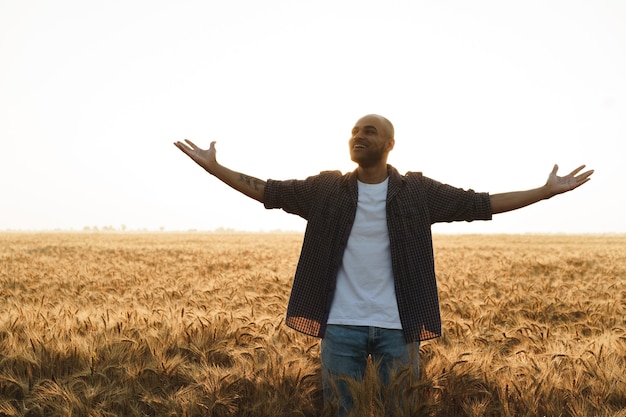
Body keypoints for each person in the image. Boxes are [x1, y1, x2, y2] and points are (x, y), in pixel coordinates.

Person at [174, 114, 593, 415]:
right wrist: (215, 168)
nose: (358, 136)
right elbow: (268, 191)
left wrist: (544, 192)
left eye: (369, 131)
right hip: (339, 326)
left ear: (390, 143)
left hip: (400, 327)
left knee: (402, 411)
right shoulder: (326, 190)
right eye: (354, 131)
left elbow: (478, 204)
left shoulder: (417, 192)